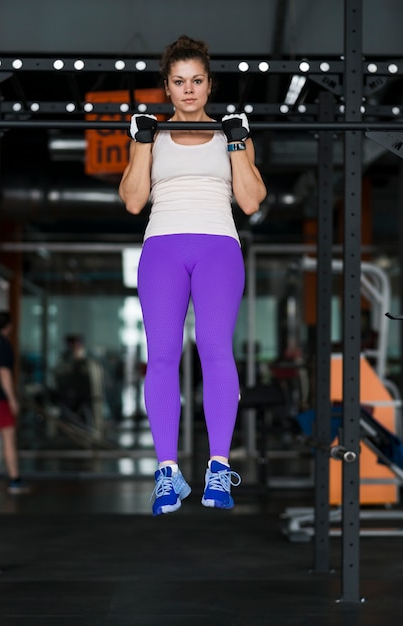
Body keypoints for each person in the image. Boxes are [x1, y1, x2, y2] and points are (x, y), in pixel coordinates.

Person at [119, 35, 267, 516]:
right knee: (161, 356)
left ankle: (218, 469)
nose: (188, 90)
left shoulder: (231, 132)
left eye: (196, 81)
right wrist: (141, 141)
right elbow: (134, 201)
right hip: (162, 246)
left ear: (208, 85)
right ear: (167, 86)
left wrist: (239, 140)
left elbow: (249, 201)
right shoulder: (151, 133)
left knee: (215, 350)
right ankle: (167, 473)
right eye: (179, 82)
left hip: (217, 247)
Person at [0, 311, 30, 494]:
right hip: (0, 399)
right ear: (8, 326)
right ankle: (15, 480)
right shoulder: (3, 345)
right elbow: (4, 373)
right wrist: (12, 399)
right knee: (9, 439)